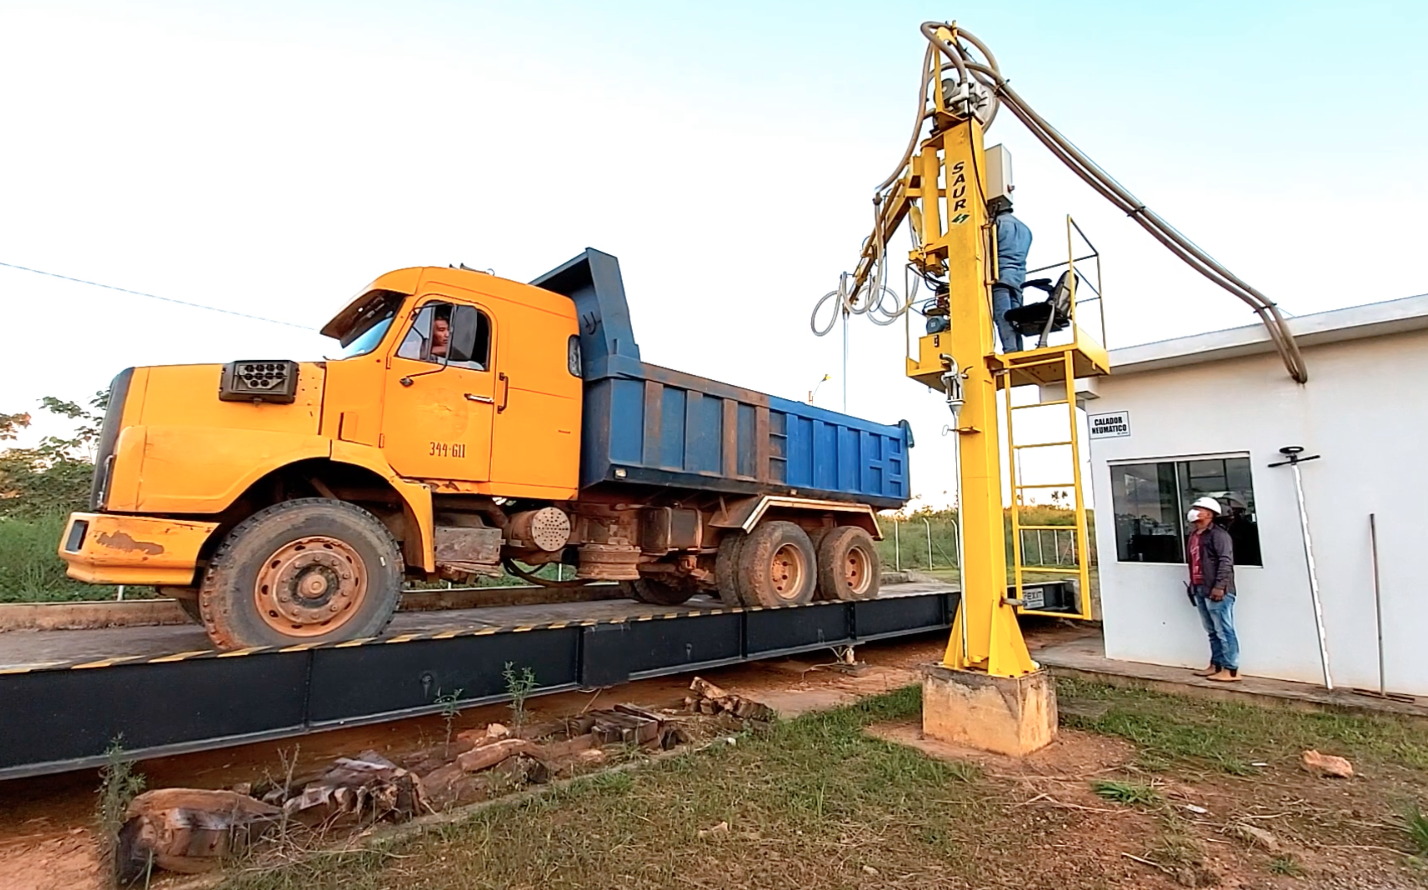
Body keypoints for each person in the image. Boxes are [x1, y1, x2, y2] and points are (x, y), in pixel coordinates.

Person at [1184, 496, 1239, 682]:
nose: (1194, 511)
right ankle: (1216, 665)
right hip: (1200, 587)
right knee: (1212, 630)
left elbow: (1226, 561)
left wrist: (1219, 586)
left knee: (1224, 629)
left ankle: (1231, 669)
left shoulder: (1218, 535)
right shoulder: (1194, 535)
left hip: (1217, 590)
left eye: (1198, 508)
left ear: (1209, 514)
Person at [990, 197, 1032, 353]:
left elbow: (983, 249)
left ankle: (1010, 350)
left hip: (1000, 277)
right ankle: (1017, 350)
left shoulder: (996, 224)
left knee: (1003, 316)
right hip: (1018, 279)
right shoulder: (1025, 229)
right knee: (1016, 319)